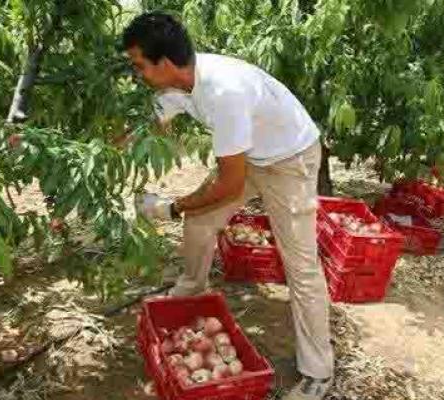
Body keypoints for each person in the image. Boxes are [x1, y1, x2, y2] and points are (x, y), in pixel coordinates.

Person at [125, 12, 335, 399]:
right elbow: (147, 129)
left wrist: (170, 208)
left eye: (139, 65)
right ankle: (191, 289)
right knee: (200, 225)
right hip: (251, 157)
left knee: (300, 265)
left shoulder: (224, 93)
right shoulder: (176, 86)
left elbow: (229, 184)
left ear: (165, 64)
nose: (137, 74)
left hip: (291, 159)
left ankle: (318, 370)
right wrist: (99, 157)